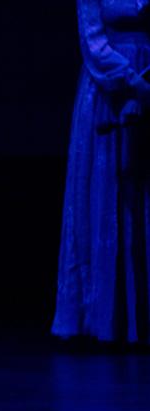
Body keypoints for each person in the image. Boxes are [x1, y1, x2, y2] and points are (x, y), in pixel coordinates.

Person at [53, 0, 150, 343]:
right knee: (112, 196)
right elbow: (93, 44)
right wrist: (136, 86)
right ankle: (106, 321)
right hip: (110, 91)